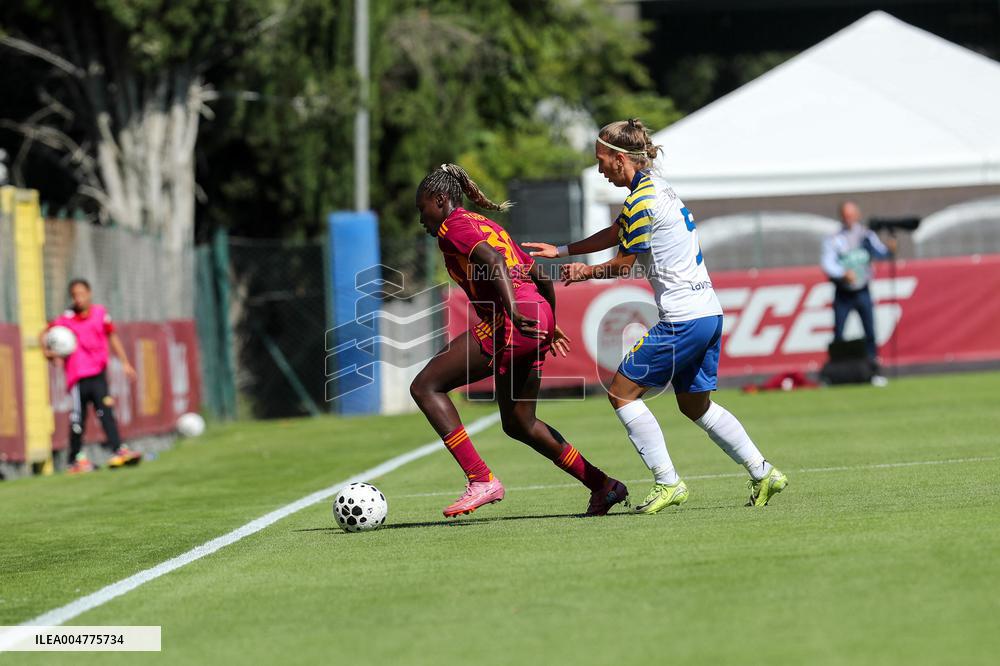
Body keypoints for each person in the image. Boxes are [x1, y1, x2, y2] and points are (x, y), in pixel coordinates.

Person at [523, 119, 787, 511]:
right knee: (695, 406)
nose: (599, 169)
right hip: (708, 314)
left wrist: (586, 271)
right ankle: (764, 473)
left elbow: (624, 263)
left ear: (618, 158)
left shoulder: (640, 199)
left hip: (682, 318)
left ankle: (668, 483)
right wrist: (562, 251)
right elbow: (619, 231)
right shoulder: (655, 189)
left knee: (621, 392)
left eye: (601, 161)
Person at [409, 163, 628, 517]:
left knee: (425, 387)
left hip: (513, 318)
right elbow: (538, 274)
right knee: (519, 422)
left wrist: (511, 311)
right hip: (536, 313)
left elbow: (493, 261)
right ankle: (604, 486)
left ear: (440, 199)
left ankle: (480, 479)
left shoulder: (453, 227)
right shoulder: (486, 224)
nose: (422, 219)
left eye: (423, 209)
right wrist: (550, 322)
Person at [40, 279, 141, 473]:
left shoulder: (100, 314)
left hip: (98, 373)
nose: (78, 299)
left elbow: (112, 336)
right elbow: (44, 333)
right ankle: (74, 459)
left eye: (81, 294)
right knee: (78, 418)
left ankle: (118, 449)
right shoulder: (66, 319)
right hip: (77, 377)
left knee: (105, 411)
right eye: (75, 295)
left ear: (89, 293)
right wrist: (48, 352)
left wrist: (125, 362)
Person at [821, 201, 896, 382]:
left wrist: (891, 248)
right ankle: (835, 374)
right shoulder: (834, 238)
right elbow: (828, 263)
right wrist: (841, 273)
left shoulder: (866, 236)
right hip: (843, 292)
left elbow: (881, 252)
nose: (849, 218)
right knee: (839, 334)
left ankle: (873, 372)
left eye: (852, 214)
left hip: (863, 290)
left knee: (869, 332)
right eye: (846, 215)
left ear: (857, 215)